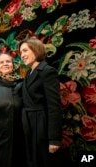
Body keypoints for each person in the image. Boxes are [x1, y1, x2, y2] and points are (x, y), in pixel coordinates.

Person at [18, 37, 63, 167]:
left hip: (42, 125)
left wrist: (54, 139)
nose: (22, 55)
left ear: (36, 50)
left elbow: (54, 106)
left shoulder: (47, 71)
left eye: (25, 51)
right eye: (21, 53)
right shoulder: (28, 73)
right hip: (29, 124)